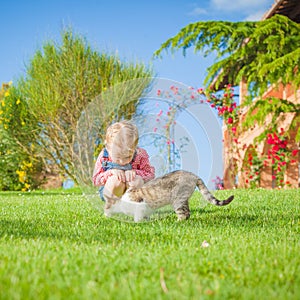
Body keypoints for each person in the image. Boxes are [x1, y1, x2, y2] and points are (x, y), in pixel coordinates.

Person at [92, 120, 155, 204]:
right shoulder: (104, 156)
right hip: (111, 191)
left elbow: (150, 175)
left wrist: (135, 172)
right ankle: (112, 206)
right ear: (107, 147)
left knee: (136, 180)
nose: (122, 162)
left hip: (131, 190)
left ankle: (133, 204)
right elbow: (96, 180)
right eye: (117, 157)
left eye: (128, 157)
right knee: (115, 181)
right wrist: (111, 172)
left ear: (135, 148)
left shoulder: (140, 155)